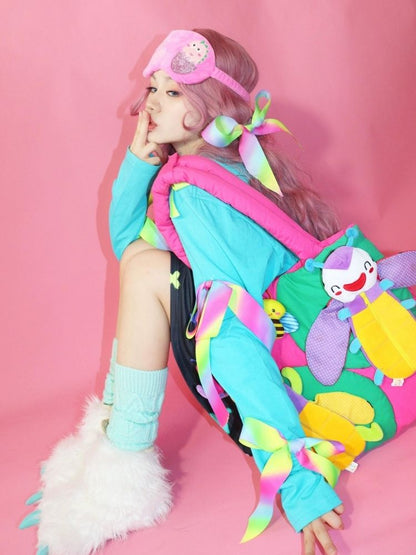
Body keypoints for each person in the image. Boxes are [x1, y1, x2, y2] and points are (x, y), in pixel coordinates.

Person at [21, 29, 344, 555]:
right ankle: (116, 445)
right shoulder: (217, 166)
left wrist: (299, 482)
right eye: (153, 88)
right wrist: (139, 159)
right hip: (289, 346)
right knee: (143, 264)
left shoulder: (196, 194)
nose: (152, 102)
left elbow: (233, 332)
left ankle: (124, 461)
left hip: (281, 377)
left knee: (148, 272)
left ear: (209, 105)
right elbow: (130, 246)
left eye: (173, 93)